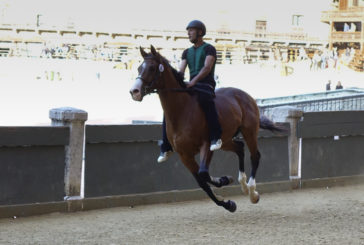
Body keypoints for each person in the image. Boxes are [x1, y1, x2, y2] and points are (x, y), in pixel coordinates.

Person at [158, 20, 223, 163]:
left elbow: (206, 68)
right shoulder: (186, 52)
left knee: (206, 100)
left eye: (191, 30)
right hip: (192, 85)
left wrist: (193, 82)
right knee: (169, 108)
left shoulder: (209, 48)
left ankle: (215, 136)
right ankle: (166, 146)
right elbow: (181, 71)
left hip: (205, 85)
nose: (188, 33)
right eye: (188, 31)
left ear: (200, 32)